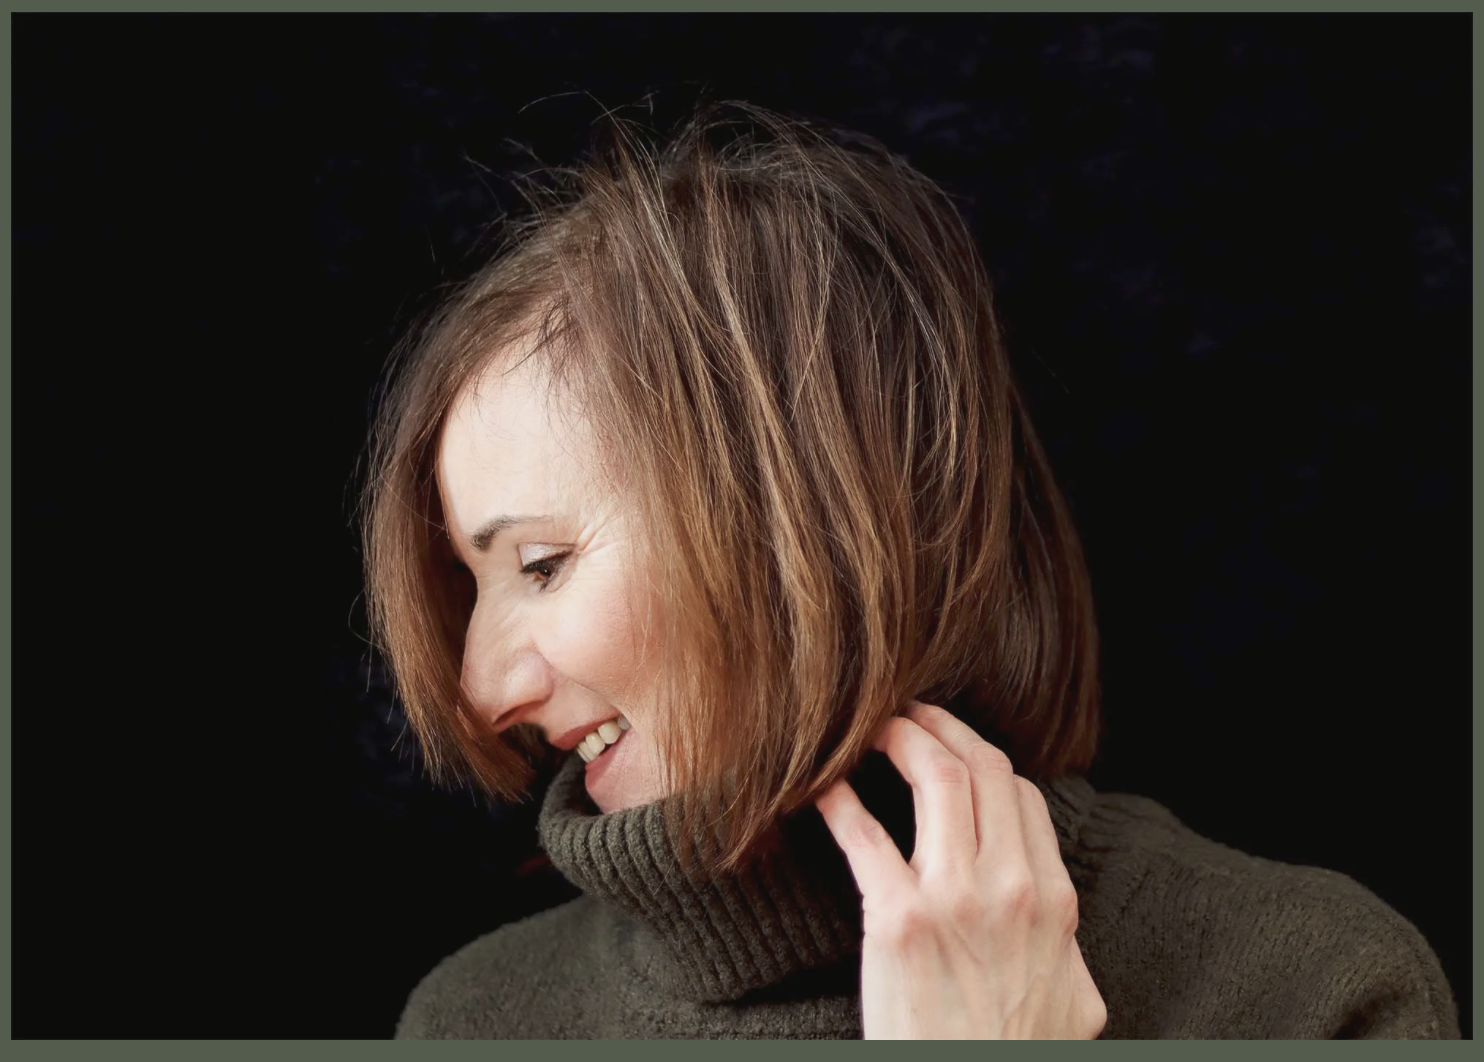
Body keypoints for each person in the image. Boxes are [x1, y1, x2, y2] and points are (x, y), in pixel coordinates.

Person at [359, 100, 1460, 1039]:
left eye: (541, 565)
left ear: (802, 525)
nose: (481, 688)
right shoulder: (476, 1021)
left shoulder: (1306, 995)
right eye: (472, 583)